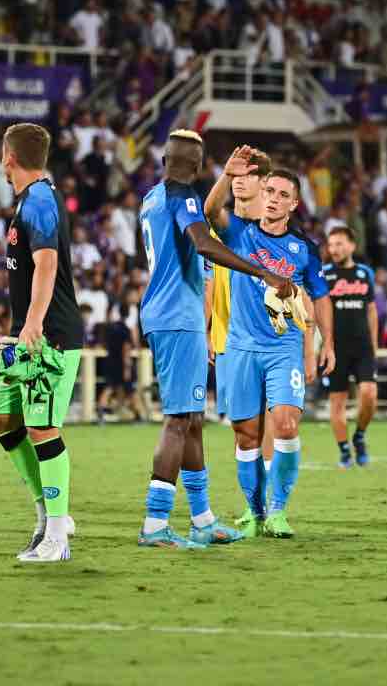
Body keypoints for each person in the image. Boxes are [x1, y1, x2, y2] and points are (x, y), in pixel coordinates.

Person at [136, 132, 294, 549]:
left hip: (163, 312)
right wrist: (263, 272)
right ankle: (155, 524)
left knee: (191, 419)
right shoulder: (183, 197)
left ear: (167, 157)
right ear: (198, 164)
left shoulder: (151, 197)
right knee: (177, 420)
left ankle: (203, 519)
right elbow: (203, 243)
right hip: (178, 317)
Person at [208, 164, 335, 539]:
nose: (275, 200)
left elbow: (319, 298)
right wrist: (228, 176)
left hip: (284, 347)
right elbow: (211, 210)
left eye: (283, 195)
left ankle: (278, 511)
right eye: (271, 192)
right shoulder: (239, 233)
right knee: (246, 435)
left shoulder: (304, 249)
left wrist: (324, 343)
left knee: (286, 423)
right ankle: (254, 510)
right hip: (241, 346)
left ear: (294, 204)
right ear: (261, 195)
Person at [0, 123, 85, 563]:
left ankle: (56, 538)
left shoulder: (42, 199)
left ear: (9, 157)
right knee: (4, 421)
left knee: (43, 428)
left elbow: (46, 264)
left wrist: (32, 322)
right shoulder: (31, 200)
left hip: (50, 335)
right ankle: (48, 515)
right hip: (24, 331)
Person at [321, 226, 379, 469]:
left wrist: (374, 345)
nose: (334, 249)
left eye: (339, 243)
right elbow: (321, 312)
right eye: (331, 244)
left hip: (363, 346)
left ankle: (360, 435)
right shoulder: (324, 275)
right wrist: (325, 346)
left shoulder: (365, 274)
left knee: (369, 395)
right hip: (336, 349)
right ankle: (345, 449)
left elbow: (372, 310)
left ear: (352, 246)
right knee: (338, 402)